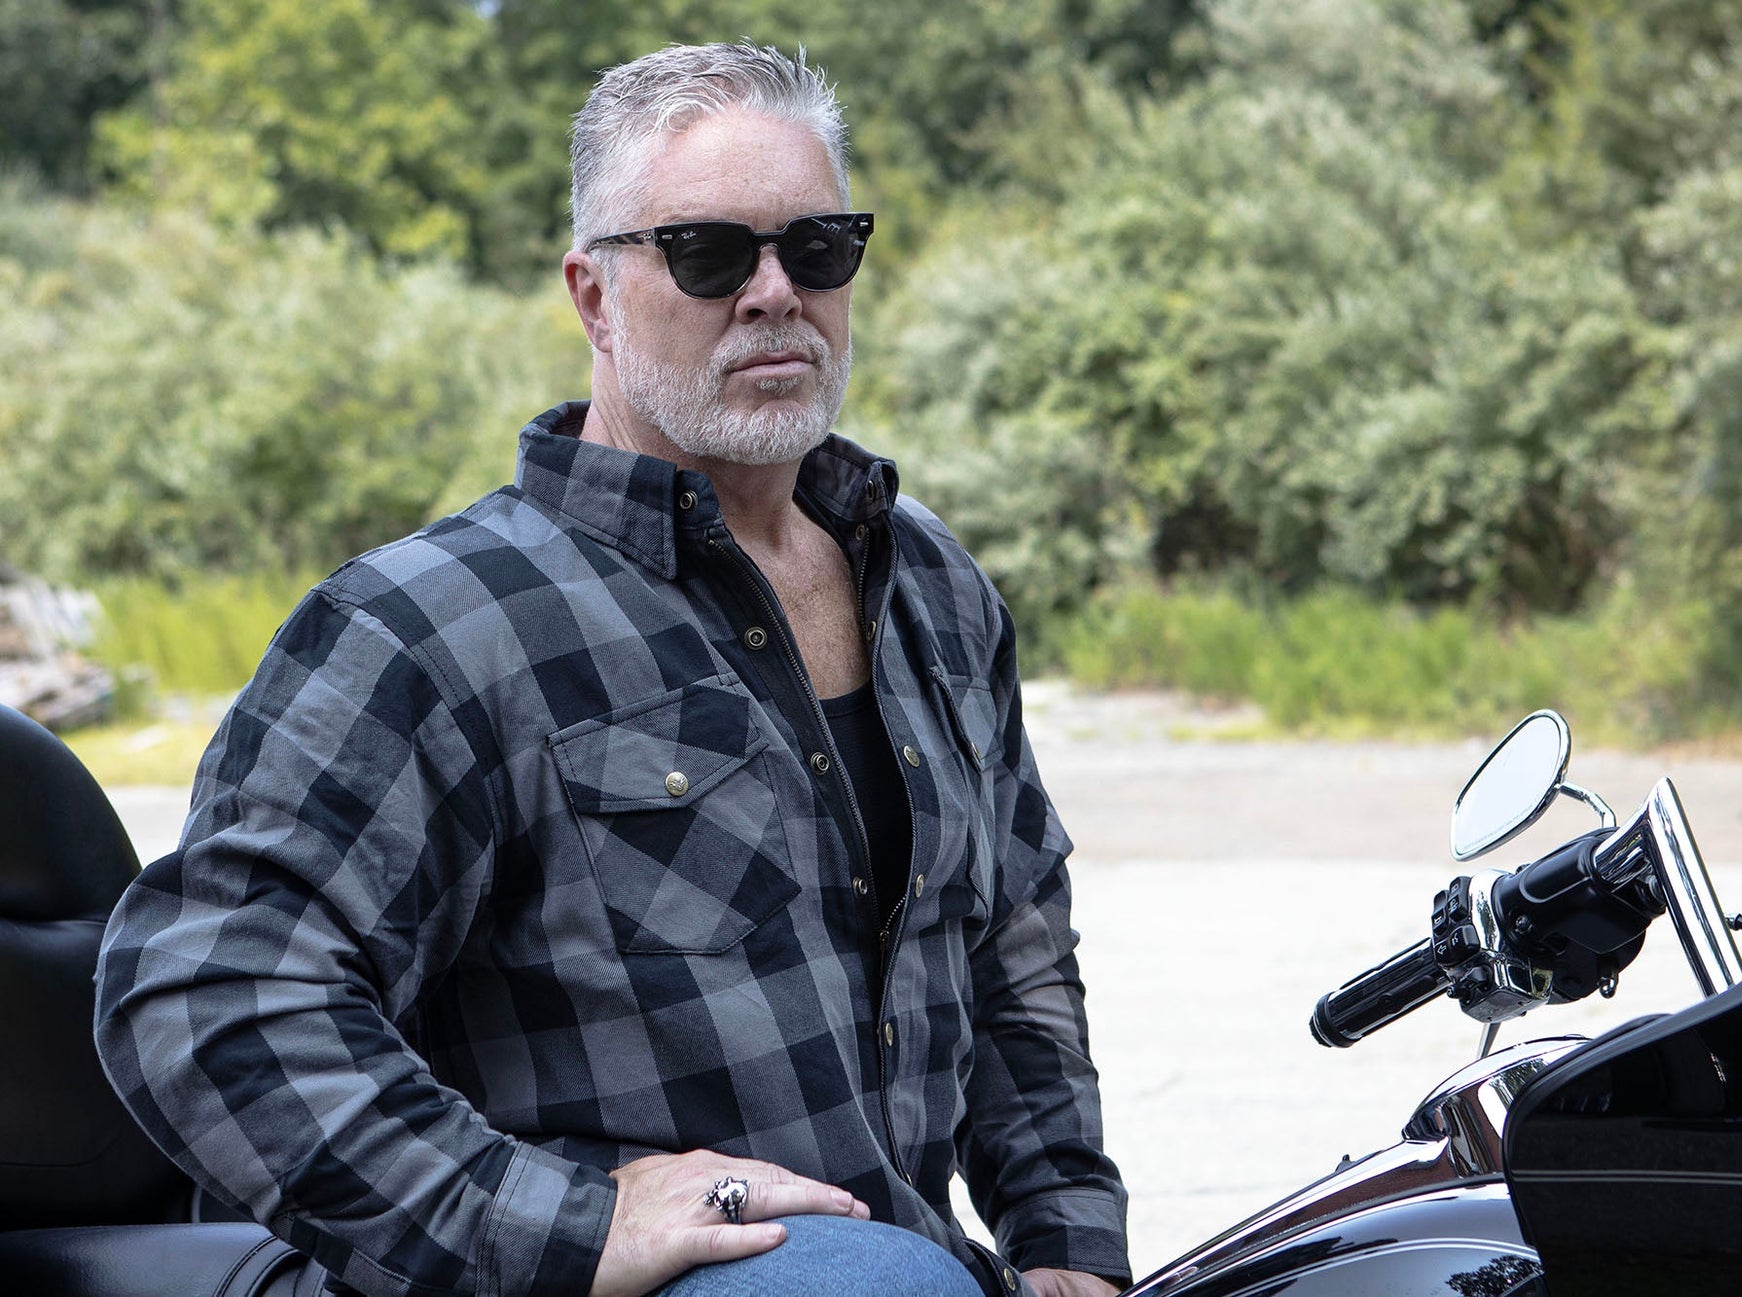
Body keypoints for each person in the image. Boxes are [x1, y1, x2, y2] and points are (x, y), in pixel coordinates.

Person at [93, 41, 1130, 1297]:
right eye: (707, 253)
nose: (773, 292)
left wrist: (1069, 1245)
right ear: (593, 296)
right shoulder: (432, 623)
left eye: (816, 248)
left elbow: (1016, 946)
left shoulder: (932, 587)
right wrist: (567, 1226)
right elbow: (208, 995)